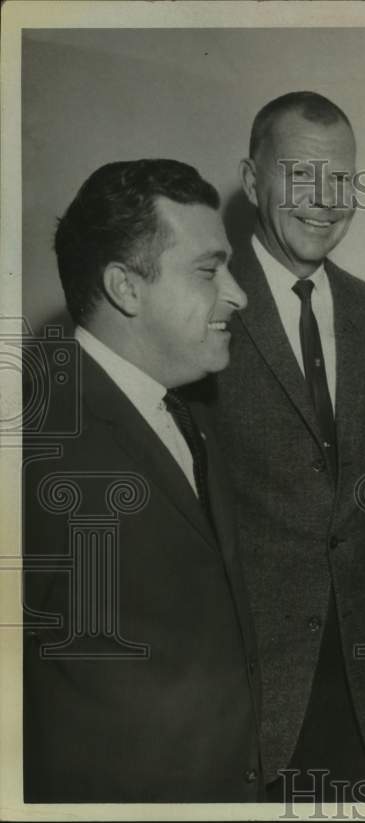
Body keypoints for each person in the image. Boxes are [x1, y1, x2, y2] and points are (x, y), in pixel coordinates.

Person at [22, 159, 260, 801]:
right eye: (209, 271)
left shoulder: (192, 411)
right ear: (126, 288)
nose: (237, 293)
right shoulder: (33, 439)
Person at [203, 91, 365, 801]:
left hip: (346, 688)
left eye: (343, 179)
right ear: (253, 180)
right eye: (300, 175)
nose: (326, 200)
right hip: (229, 683)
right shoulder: (207, 305)